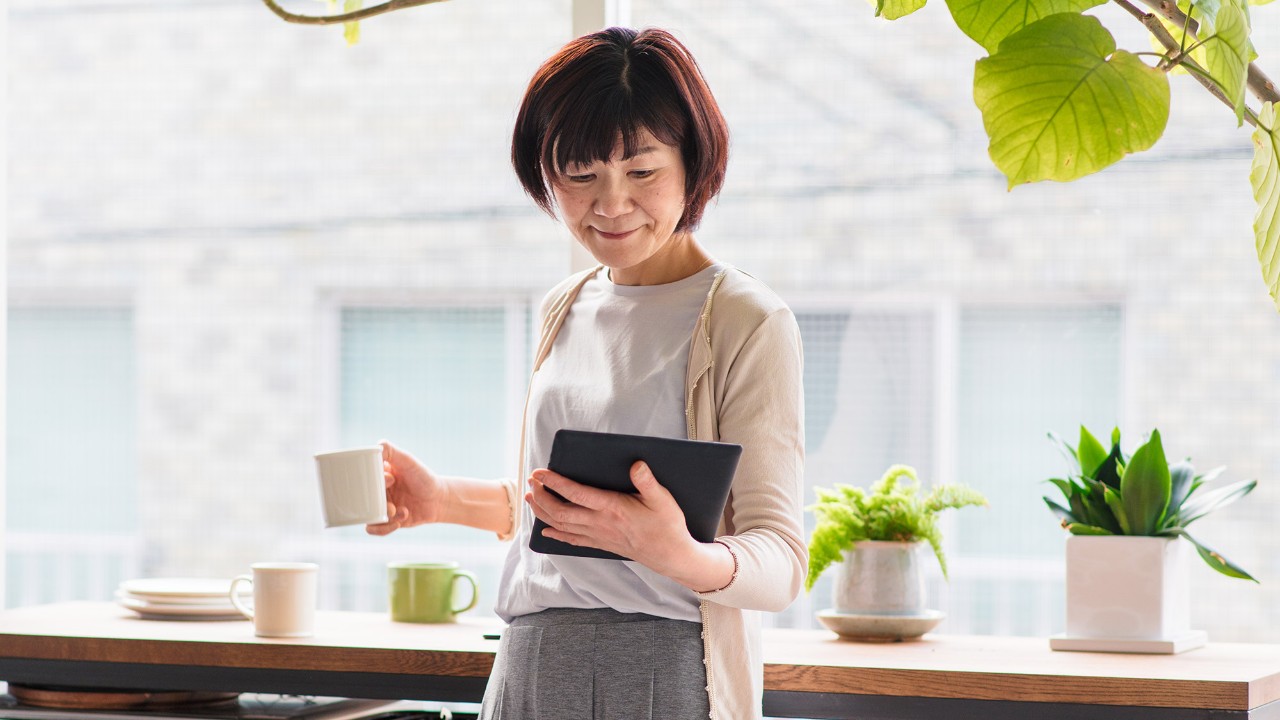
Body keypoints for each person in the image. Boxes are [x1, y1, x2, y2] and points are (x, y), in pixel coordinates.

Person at [367, 26, 806, 720]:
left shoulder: (746, 319)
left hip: (661, 672)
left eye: (642, 172)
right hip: (527, 665)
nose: (610, 204)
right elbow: (578, 512)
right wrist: (443, 500)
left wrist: (677, 554)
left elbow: (780, 561)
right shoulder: (563, 304)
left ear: (694, 163)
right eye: (580, 176)